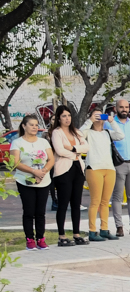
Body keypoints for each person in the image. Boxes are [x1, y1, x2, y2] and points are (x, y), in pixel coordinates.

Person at [10, 113, 53, 249]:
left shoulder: (43, 142)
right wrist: (34, 172)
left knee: (40, 212)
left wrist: (43, 172)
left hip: (43, 180)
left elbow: (51, 159)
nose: (34, 127)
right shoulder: (17, 143)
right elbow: (15, 163)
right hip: (25, 180)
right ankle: (30, 239)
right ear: (24, 126)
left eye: (36, 125)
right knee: (29, 211)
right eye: (31, 125)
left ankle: (41, 238)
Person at [49, 105, 89, 246]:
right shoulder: (56, 132)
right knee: (63, 204)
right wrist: (76, 154)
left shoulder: (76, 132)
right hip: (63, 171)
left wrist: (73, 148)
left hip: (78, 169)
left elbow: (86, 147)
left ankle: (76, 234)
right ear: (59, 118)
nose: (67, 118)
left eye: (69, 115)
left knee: (76, 203)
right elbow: (59, 151)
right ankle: (61, 236)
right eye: (64, 116)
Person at [82, 110, 123, 241]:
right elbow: (79, 135)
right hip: (94, 168)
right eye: (96, 115)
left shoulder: (107, 132)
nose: (99, 118)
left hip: (109, 168)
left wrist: (112, 122)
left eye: (101, 115)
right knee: (95, 201)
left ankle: (104, 229)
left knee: (105, 201)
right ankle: (92, 231)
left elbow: (121, 135)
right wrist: (90, 121)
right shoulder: (88, 132)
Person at [106, 98, 130, 236]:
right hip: (118, 164)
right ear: (115, 108)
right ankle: (119, 226)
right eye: (121, 107)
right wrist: (104, 117)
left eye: (126, 107)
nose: (124, 109)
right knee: (117, 197)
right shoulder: (109, 124)